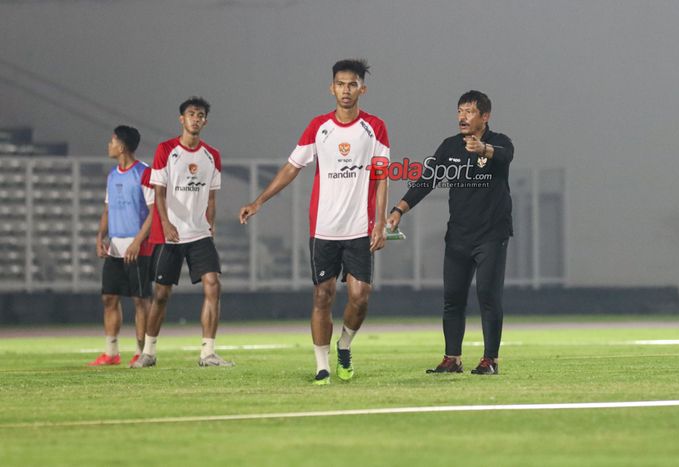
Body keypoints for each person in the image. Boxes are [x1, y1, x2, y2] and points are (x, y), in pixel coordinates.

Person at [239, 59, 390, 385]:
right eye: (340, 83)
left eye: (352, 84)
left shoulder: (375, 127)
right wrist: (259, 200)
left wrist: (379, 222)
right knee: (323, 295)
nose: (346, 90)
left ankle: (345, 346)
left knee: (360, 295)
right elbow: (292, 167)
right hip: (324, 228)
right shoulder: (319, 127)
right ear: (331, 87)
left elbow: (381, 176)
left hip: (359, 227)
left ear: (362, 89)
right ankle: (322, 366)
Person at [387, 90, 514, 375]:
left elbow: (505, 156)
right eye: (459, 111)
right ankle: (452, 359)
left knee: (488, 295)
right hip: (458, 236)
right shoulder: (449, 147)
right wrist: (398, 210)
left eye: (469, 111)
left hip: (492, 235)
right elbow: (426, 180)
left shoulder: (499, 142)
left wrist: (483, 150)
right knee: (453, 297)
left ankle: (490, 360)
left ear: (485, 116)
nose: (462, 117)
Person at [130, 96, 232, 368]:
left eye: (200, 115)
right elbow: (159, 193)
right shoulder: (166, 150)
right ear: (181, 119)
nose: (195, 119)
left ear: (205, 121)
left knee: (213, 285)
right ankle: (148, 352)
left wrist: (211, 225)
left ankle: (208, 353)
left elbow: (211, 198)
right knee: (161, 294)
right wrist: (165, 223)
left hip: (199, 234)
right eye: (191, 114)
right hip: (170, 235)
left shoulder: (212, 156)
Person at [90, 125, 154, 367]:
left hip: (137, 248)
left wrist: (138, 241)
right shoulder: (113, 175)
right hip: (115, 247)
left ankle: (142, 352)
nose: (109, 145)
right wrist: (100, 237)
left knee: (140, 300)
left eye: (112, 140)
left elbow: (154, 211)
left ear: (123, 146)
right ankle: (111, 352)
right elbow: (108, 209)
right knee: (109, 298)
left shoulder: (144, 173)